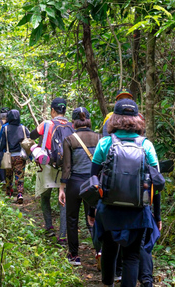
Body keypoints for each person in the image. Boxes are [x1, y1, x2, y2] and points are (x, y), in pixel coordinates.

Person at [91, 99, 161, 287]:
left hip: (108, 209)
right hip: (138, 211)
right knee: (131, 256)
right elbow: (156, 182)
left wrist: (92, 211)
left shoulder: (105, 143)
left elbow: (93, 179)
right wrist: (158, 215)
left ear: (114, 119)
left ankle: (107, 284)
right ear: (137, 119)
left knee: (109, 249)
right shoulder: (146, 145)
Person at [58, 107, 101, 266]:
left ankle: (74, 255)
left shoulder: (69, 139)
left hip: (75, 184)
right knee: (95, 219)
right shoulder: (100, 138)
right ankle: (99, 251)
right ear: (88, 119)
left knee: (72, 219)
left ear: (74, 121)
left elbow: (67, 167)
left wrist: (62, 188)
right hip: (93, 184)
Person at [29, 98, 68, 244]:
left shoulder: (46, 124)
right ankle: (63, 235)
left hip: (47, 164)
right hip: (64, 166)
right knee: (63, 200)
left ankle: (49, 227)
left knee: (45, 197)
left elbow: (33, 135)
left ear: (52, 110)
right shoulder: (71, 125)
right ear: (64, 110)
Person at [0, 109, 30, 203]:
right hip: (20, 156)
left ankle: (8, 193)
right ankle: (19, 193)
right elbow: (29, 142)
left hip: (8, 156)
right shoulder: (23, 128)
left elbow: (1, 144)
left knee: (8, 175)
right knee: (20, 176)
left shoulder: (5, 129)